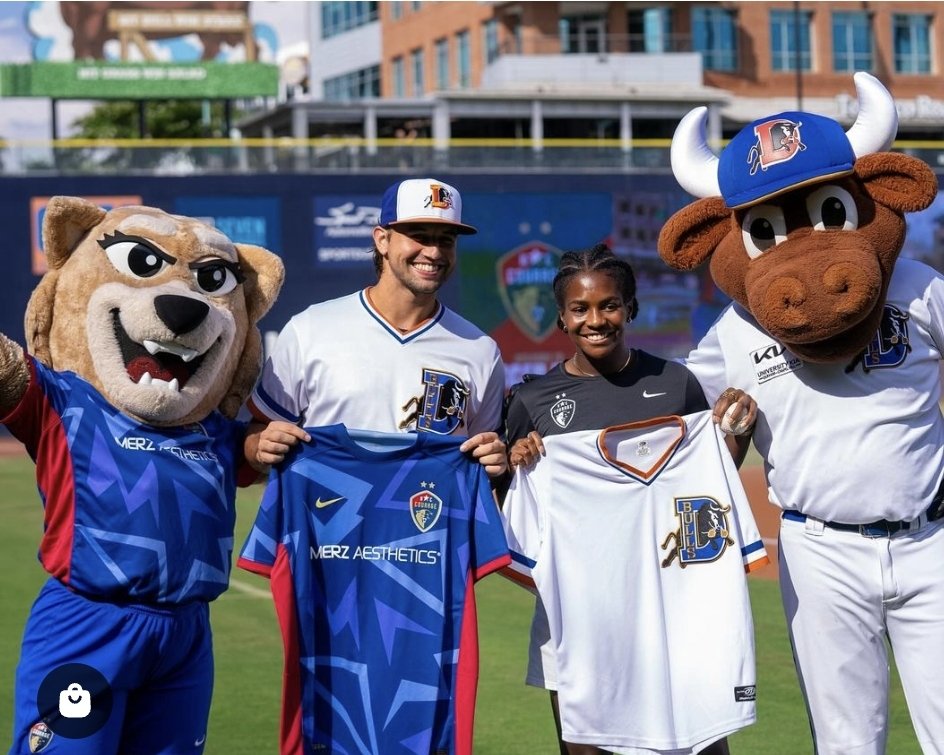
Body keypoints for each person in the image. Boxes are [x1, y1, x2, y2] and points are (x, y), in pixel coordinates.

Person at [503, 243, 758, 755]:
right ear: (562, 317)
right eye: (580, 309)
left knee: (701, 742)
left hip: (675, 603)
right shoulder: (532, 401)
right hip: (578, 614)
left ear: (630, 308)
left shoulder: (674, 382)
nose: (595, 320)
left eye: (609, 305)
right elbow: (509, 505)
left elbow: (706, 483)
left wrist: (738, 432)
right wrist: (519, 460)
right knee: (589, 746)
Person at [244, 176, 508, 478]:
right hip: (331, 519)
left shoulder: (480, 350)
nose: (434, 252)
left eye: (445, 240)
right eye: (419, 236)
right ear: (382, 239)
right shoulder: (310, 330)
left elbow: (488, 453)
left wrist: (497, 460)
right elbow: (258, 433)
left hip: (427, 520)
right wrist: (260, 446)